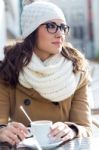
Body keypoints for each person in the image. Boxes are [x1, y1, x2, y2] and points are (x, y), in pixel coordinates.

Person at [0, 0, 92, 146]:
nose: (60, 33)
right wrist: (2, 131)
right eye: (51, 26)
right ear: (32, 30)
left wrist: (72, 129)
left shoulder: (76, 70)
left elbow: (85, 126)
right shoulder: (9, 68)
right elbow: (0, 121)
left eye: (62, 27)